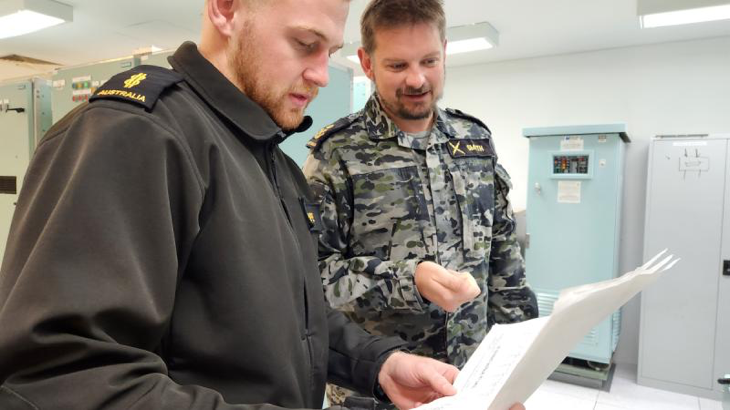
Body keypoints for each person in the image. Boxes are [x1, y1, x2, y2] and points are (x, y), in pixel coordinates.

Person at [0, 0, 490, 409]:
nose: (321, 74)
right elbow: (60, 376)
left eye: (330, 51)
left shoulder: (273, 162)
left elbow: (296, 317)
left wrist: (380, 363)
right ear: (226, 9)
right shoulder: (139, 134)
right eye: (304, 44)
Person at [303, 0, 539, 406]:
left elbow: (504, 260)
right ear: (367, 62)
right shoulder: (337, 154)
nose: (417, 79)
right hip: (377, 392)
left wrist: (518, 376)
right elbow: (311, 276)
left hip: (471, 384)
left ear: (444, 51)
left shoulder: (474, 142)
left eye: (429, 60)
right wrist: (407, 279)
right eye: (397, 66)